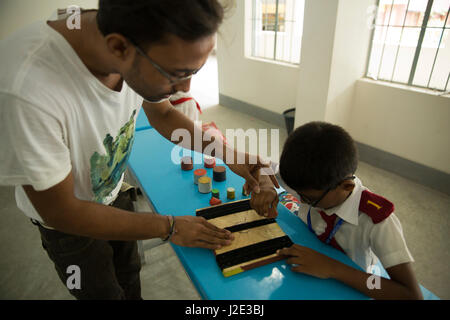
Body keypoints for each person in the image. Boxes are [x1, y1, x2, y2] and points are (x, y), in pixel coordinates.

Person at [0, 0, 278, 300]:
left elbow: (163, 115)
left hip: (112, 189)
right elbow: (61, 211)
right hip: (68, 224)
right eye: (176, 73)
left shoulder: (129, 40)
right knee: (101, 292)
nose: (184, 87)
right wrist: (169, 227)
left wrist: (230, 155)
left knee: (129, 276)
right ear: (119, 47)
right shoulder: (25, 89)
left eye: (195, 70)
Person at [249, 121, 423, 300]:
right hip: (304, 269)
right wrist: (266, 184)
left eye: (308, 199)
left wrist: (334, 268)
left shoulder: (377, 221)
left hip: (352, 285)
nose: (300, 200)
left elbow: (409, 295)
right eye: (297, 193)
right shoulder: (308, 181)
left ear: (346, 186)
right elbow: (262, 164)